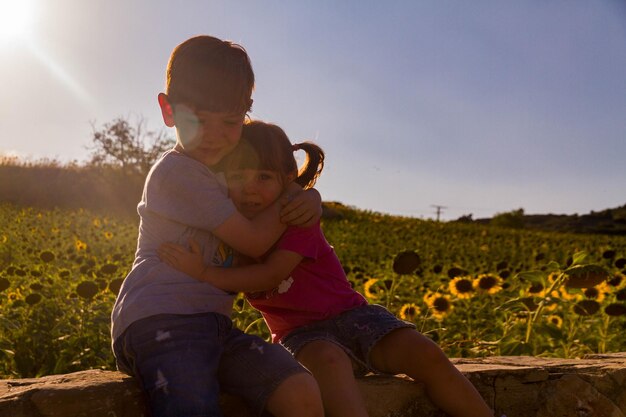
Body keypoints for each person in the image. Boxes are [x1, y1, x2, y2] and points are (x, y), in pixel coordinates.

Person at [158, 120, 495, 417]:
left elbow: (272, 274)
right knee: (329, 365)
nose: (250, 186)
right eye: (238, 175)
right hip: (300, 335)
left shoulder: (297, 215)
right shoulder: (230, 228)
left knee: (425, 353)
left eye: (264, 176)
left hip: (353, 315)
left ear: (287, 179)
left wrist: (205, 272)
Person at [111, 36, 325, 417]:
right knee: (192, 407)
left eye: (229, 122)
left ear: (246, 113)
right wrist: (296, 198)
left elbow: (270, 184)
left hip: (214, 328)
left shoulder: (224, 173)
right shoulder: (177, 174)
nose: (213, 135)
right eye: (197, 119)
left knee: (299, 387)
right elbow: (257, 241)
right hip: (159, 321)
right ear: (168, 110)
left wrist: (305, 195)